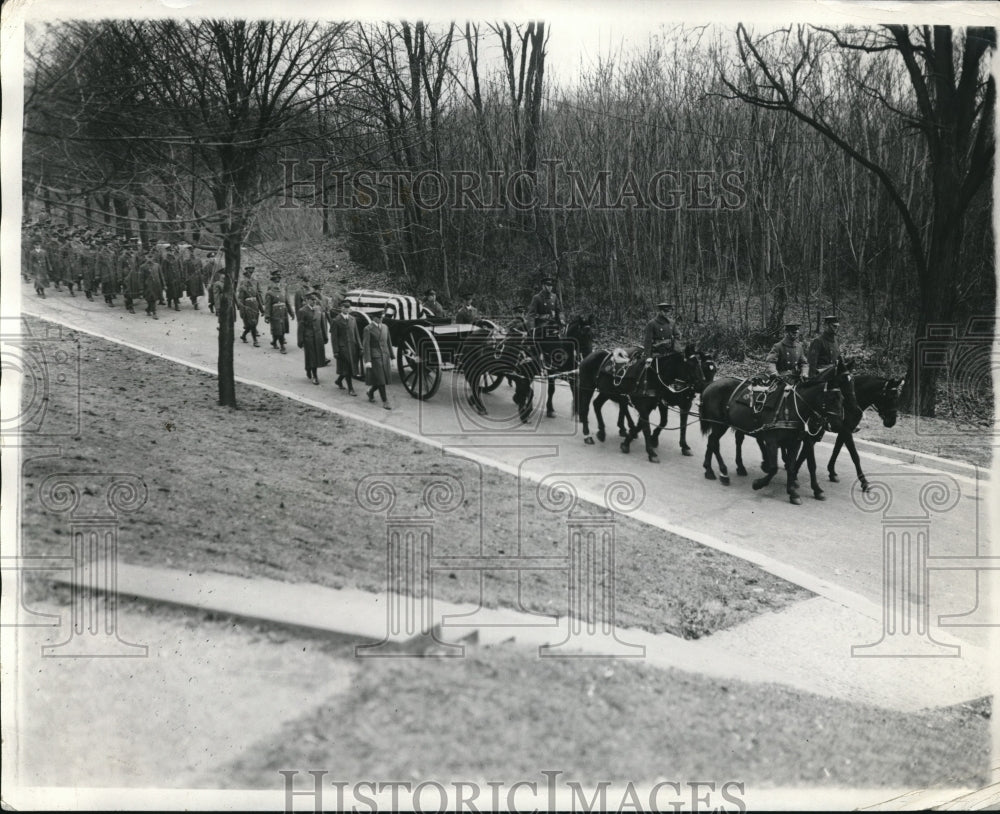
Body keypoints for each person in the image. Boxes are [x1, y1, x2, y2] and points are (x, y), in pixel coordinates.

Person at [362, 308, 394, 409]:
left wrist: (392, 357)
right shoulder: (368, 329)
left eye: (382, 317)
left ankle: (370, 392)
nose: (381, 319)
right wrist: (367, 360)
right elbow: (366, 345)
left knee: (383, 378)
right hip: (375, 356)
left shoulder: (385, 327)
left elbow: (388, 342)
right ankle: (385, 401)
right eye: (379, 317)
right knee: (381, 379)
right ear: (374, 318)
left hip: (385, 355)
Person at [331, 298, 362, 395]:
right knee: (348, 368)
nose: (347, 309)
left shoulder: (353, 319)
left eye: (348, 308)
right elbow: (334, 338)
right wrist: (336, 351)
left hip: (353, 347)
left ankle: (339, 380)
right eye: (345, 307)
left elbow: (356, 334)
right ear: (341, 308)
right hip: (343, 348)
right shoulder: (336, 320)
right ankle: (351, 388)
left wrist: (360, 347)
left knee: (349, 367)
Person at [297, 291, 328, 384]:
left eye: (314, 300)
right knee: (312, 356)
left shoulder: (318, 309)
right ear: (306, 300)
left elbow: (322, 323)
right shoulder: (303, 311)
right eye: (311, 300)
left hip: (318, 336)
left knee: (317, 356)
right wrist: (300, 341)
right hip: (309, 337)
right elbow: (301, 327)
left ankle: (308, 367)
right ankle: (315, 375)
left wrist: (325, 336)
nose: (313, 302)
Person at [264, 272, 294, 353]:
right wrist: (267, 316)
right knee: (278, 329)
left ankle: (274, 341)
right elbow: (267, 305)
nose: (277, 283)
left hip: (283, 312)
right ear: (272, 282)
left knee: (282, 329)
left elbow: (287, 302)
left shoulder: (283, 290)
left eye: (278, 281)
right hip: (275, 313)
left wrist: (291, 313)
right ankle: (282, 347)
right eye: (275, 281)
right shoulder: (269, 292)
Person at [237, 266, 264, 346]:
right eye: (247, 275)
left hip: (255, 305)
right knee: (252, 323)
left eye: (250, 275)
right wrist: (242, 309)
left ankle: (243, 335)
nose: (249, 278)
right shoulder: (242, 285)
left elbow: (258, 296)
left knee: (253, 324)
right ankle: (255, 340)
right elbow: (240, 298)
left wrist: (261, 309)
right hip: (247, 306)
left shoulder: (255, 283)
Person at [140, 249, 165, 319]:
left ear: (153, 257)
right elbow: (141, 278)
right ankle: (154, 313)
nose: (150, 259)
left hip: (157, 285)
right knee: (151, 298)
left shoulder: (157, 265)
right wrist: (141, 288)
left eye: (151, 257)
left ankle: (148, 309)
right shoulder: (142, 267)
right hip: (148, 286)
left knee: (154, 298)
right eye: (148, 257)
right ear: (146, 257)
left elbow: (161, 276)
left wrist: (164, 284)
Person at [161, 244, 184, 311]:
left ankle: (174, 303)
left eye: (172, 251)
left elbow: (180, 268)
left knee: (176, 291)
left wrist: (181, 276)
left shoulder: (176, 259)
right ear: (167, 251)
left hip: (177, 277)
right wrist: (165, 279)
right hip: (170, 278)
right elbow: (164, 270)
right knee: (171, 291)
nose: (171, 252)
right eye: (170, 251)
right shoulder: (165, 260)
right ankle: (171, 303)